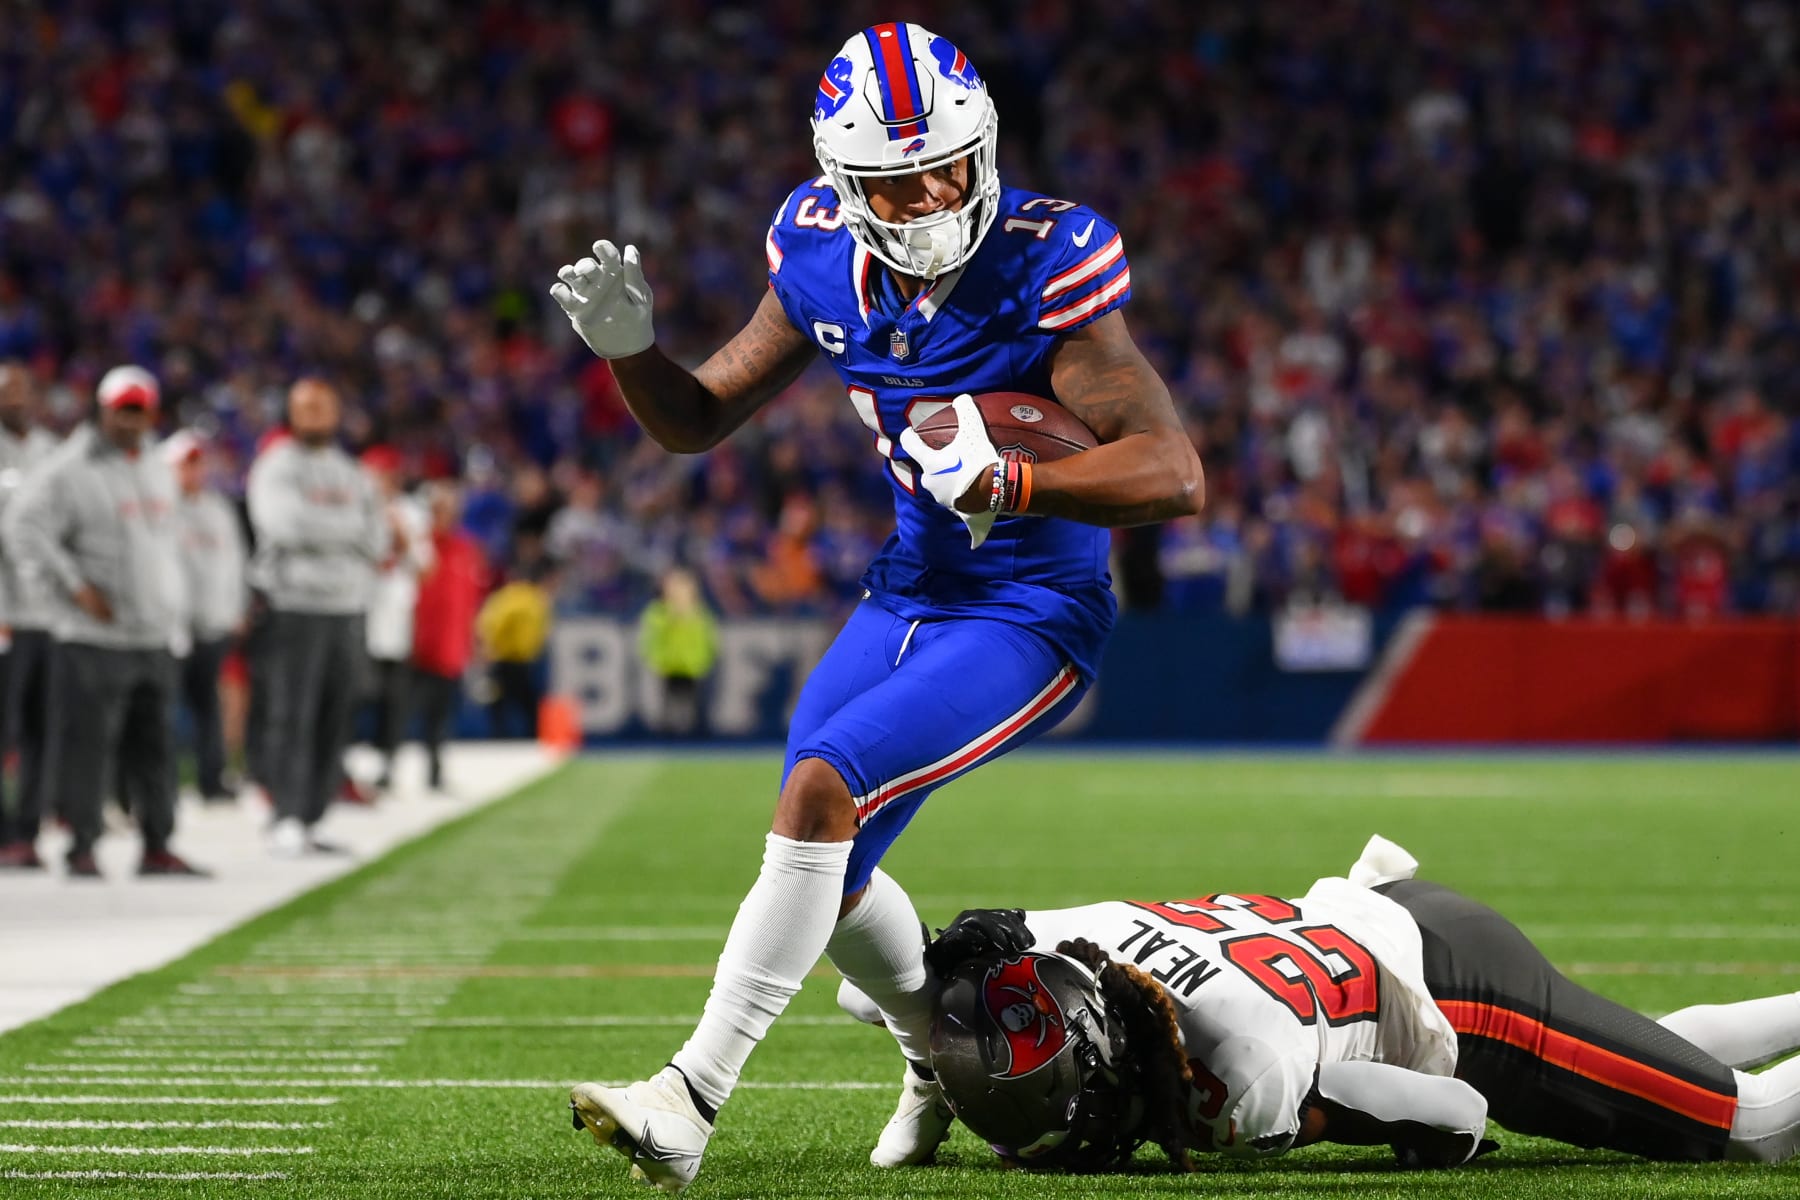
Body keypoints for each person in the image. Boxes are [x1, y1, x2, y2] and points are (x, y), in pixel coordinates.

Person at [553, 22, 1203, 1193]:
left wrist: (1020, 479)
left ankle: (688, 1099)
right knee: (829, 867)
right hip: (909, 588)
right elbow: (695, 419)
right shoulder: (816, 252)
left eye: (950, 166)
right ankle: (932, 1059)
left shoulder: (1044, 261)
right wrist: (630, 353)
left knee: (822, 788)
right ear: (845, 184)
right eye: (900, 180)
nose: (934, 194)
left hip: (1031, 603)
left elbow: (1173, 472)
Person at [902, 835, 1800, 1172]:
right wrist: (933, 1060)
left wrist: (1437, 1150)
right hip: (1382, 914)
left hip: (1469, 1000)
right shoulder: (1075, 943)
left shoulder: (1237, 1081)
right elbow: (966, 954)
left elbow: (1458, 1108)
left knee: (1752, 1126)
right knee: (1637, 1059)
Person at [5, 366, 206, 878]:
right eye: (123, 409)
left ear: (152, 413)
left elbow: (165, 545)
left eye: (139, 410)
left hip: (152, 633)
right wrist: (72, 588)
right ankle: (82, 846)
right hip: (91, 636)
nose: (131, 419)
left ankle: (158, 845)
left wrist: (174, 608)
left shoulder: (158, 466)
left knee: (156, 746)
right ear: (103, 410)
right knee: (87, 746)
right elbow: (23, 528)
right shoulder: (68, 467)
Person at [246, 378, 387, 858]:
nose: (314, 415)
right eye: (305, 407)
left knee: (335, 715)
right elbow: (284, 526)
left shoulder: (352, 472)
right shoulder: (275, 466)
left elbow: (378, 540)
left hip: (347, 608)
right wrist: (349, 530)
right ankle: (283, 815)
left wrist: (324, 530)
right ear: (290, 413)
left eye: (322, 406)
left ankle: (311, 816)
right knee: (291, 714)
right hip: (294, 606)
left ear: (336, 413)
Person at [0, 362, 61, 868]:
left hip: (50, 616)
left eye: (21, 390)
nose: (15, 399)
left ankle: (27, 830)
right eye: (6, 392)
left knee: (44, 727)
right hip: (7, 616)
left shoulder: (51, 451)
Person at [165, 430, 248, 803]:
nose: (193, 472)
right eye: (186, 464)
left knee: (209, 707)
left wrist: (237, 609)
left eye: (198, 464)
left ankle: (211, 780)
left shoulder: (219, 509)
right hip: (171, 627)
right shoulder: (160, 507)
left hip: (213, 625)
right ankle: (162, 786)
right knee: (163, 711)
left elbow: (236, 563)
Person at [359, 445, 433, 793]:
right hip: (358, 613)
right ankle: (341, 767)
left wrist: (401, 535)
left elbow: (426, 568)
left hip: (396, 617)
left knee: (393, 698)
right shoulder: (353, 508)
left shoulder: (411, 513)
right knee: (355, 693)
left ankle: (388, 763)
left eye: (382, 475)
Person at [408, 481, 485, 797]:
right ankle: (387, 768)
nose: (445, 516)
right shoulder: (419, 546)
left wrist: (474, 641)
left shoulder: (465, 549)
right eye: (439, 509)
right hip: (415, 644)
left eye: (451, 510)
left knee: (442, 713)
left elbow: (472, 599)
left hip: (450, 646)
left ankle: (435, 771)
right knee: (400, 709)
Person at [474, 557, 554, 738]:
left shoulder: (505, 598)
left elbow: (488, 624)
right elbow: (544, 631)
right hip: (525, 660)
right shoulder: (536, 598)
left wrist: (486, 648)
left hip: (503, 659)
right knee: (527, 703)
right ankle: (533, 736)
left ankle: (499, 736)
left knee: (499, 704)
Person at [637, 567, 717, 736]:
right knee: (667, 707)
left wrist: (704, 661)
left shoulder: (700, 613)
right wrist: (656, 659)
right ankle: (668, 734)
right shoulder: (659, 612)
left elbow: (708, 640)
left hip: (693, 667)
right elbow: (651, 638)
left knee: (693, 709)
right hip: (668, 667)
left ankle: (693, 734)